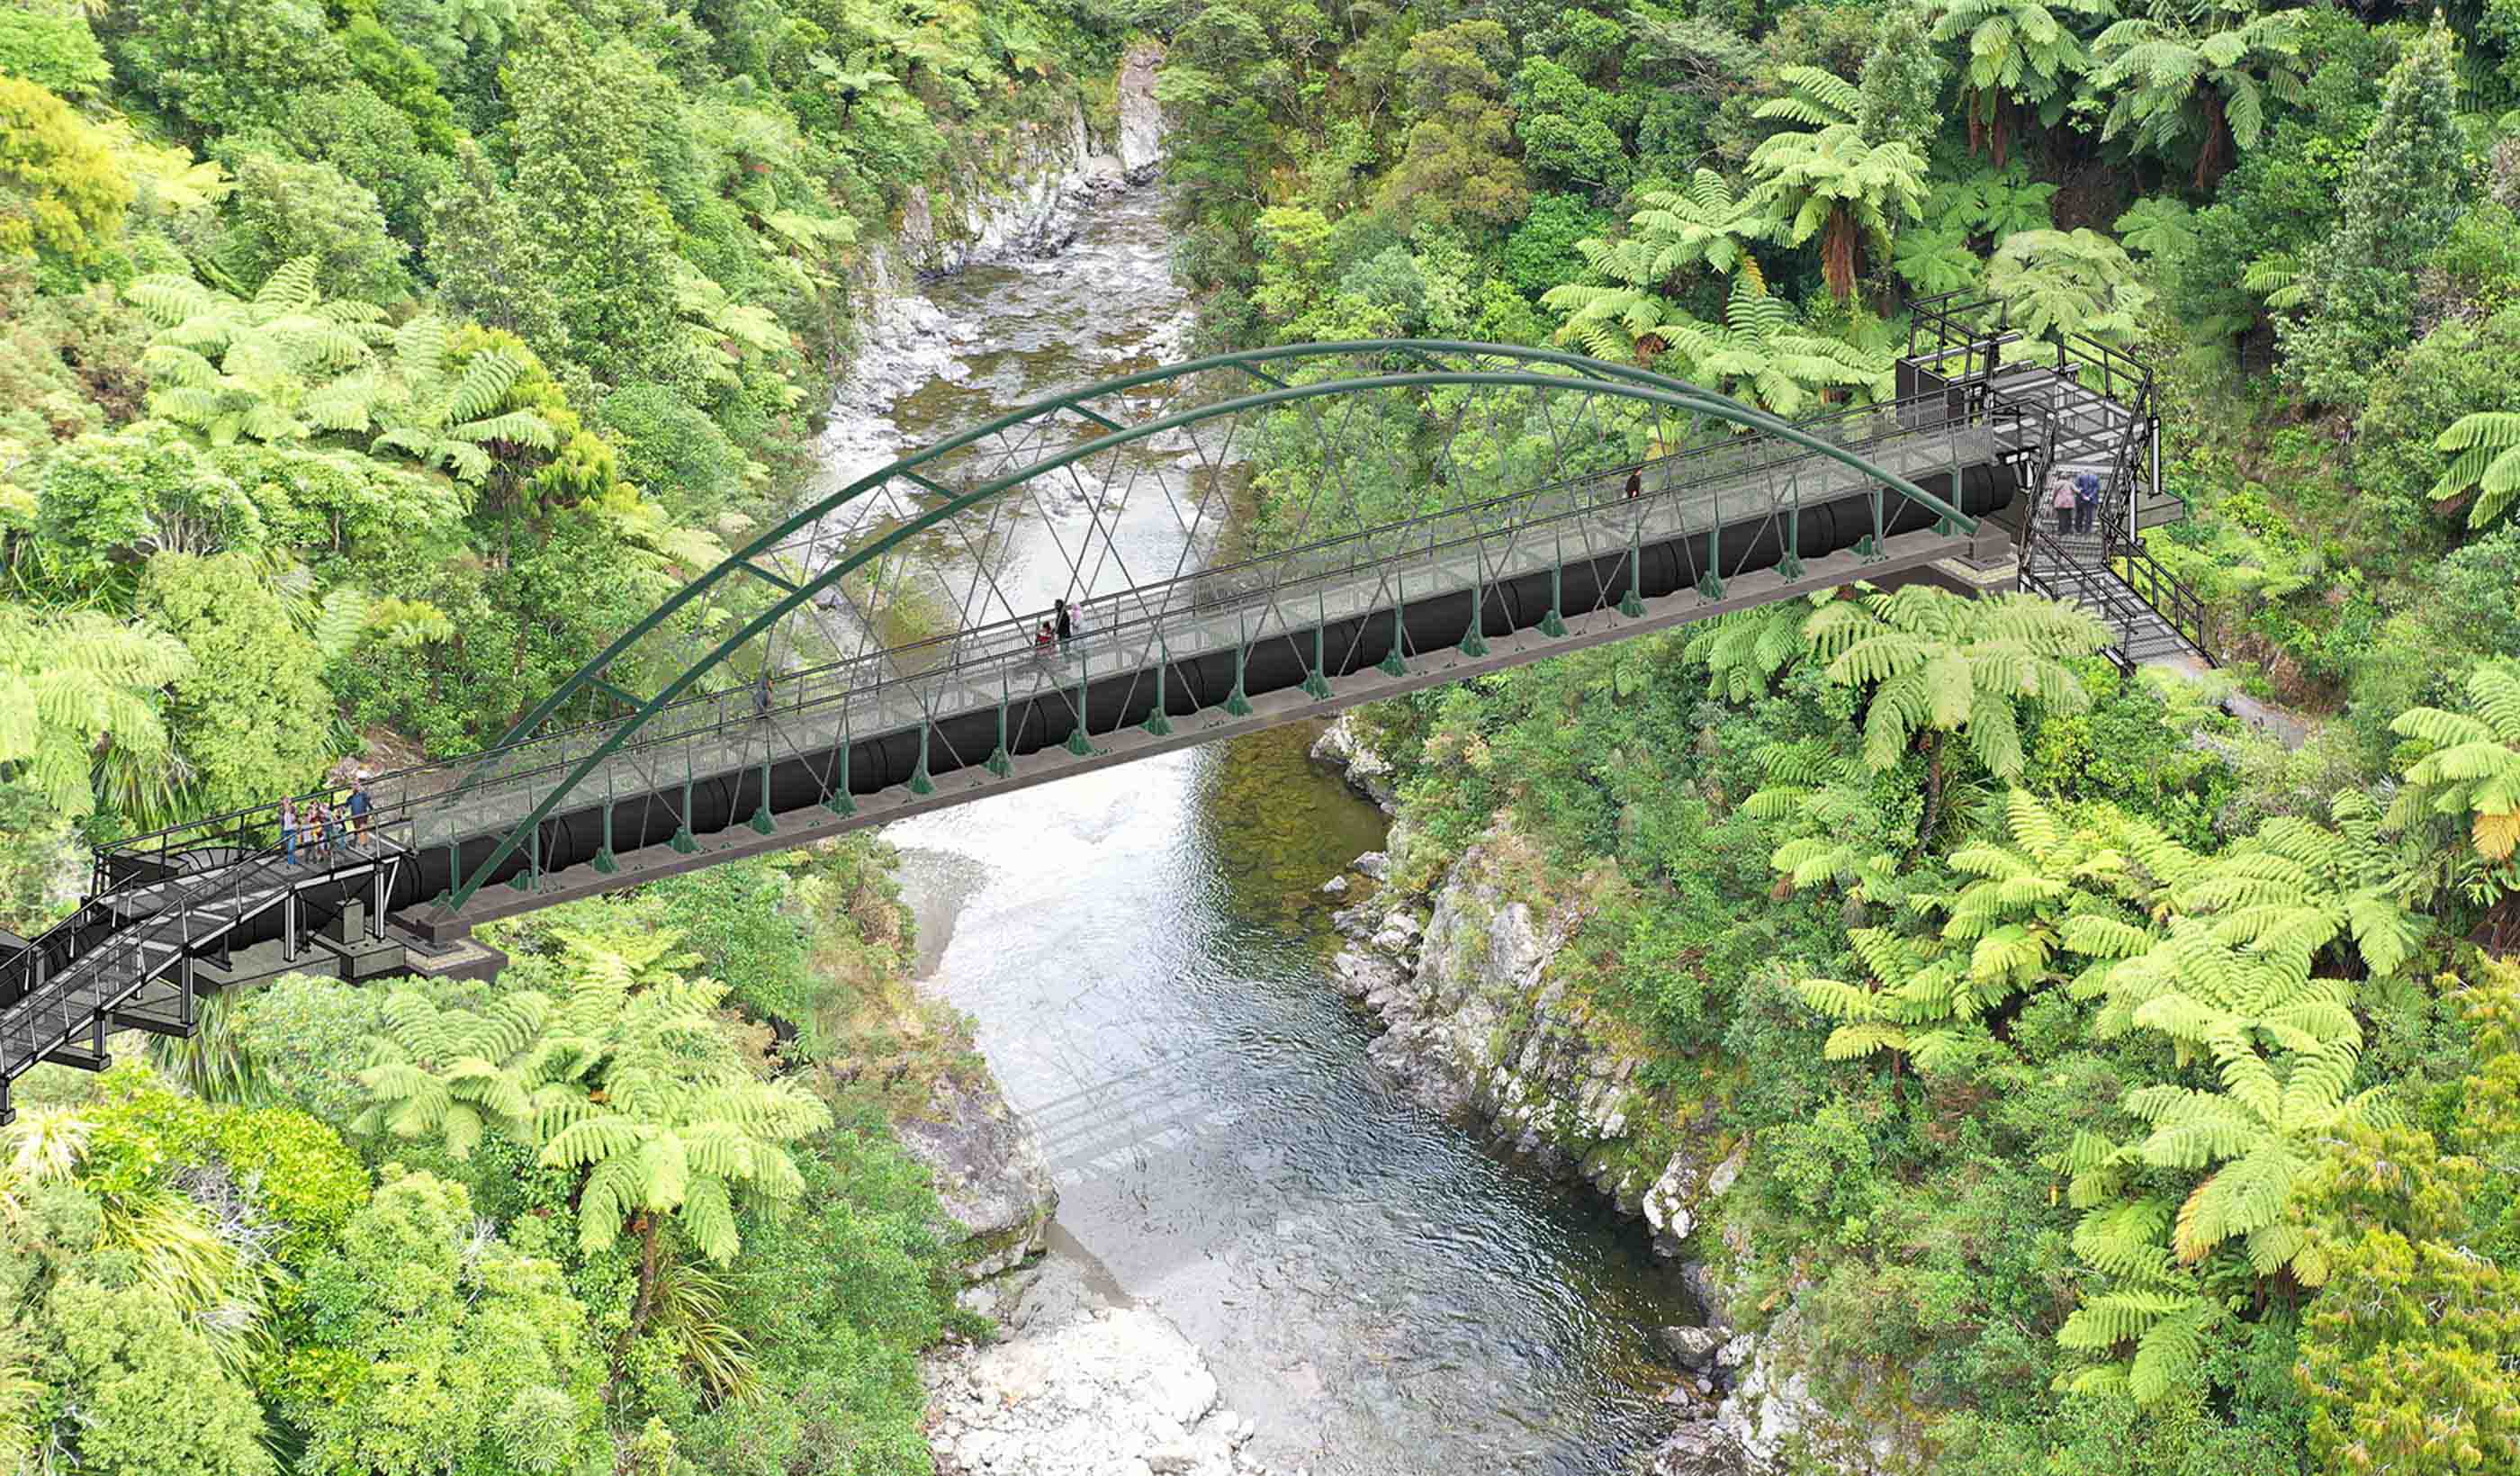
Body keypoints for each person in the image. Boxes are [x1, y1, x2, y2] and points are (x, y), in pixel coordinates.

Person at [2074, 469, 2102, 536]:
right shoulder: (2095, 478)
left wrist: (2083, 496)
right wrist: (2090, 497)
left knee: (2079, 515)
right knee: (2089, 516)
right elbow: (2097, 489)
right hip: (2091, 500)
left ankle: (2078, 530)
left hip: (2080, 499)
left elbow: (2077, 488)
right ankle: (2087, 531)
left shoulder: (2079, 477)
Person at [349, 773, 374, 846]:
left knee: (363, 828)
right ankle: (363, 843)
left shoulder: (362, 794)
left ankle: (365, 843)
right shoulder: (352, 797)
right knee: (361, 829)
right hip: (357, 813)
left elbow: (367, 800)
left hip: (361, 812)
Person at [2050, 473, 2075, 537]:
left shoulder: (2056, 484)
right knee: (2068, 516)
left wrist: (2052, 500)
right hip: (2069, 503)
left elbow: (2054, 493)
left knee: (2061, 517)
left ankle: (2062, 530)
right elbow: (2076, 490)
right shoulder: (2070, 483)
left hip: (2060, 503)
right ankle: (2068, 529)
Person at [279, 796, 300, 868]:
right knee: (288, 847)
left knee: (291, 847)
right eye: (285, 801)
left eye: (287, 801)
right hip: (285, 830)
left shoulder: (294, 808)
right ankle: (293, 860)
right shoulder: (282, 810)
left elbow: (297, 818)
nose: (286, 802)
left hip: (292, 830)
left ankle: (289, 864)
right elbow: (281, 822)